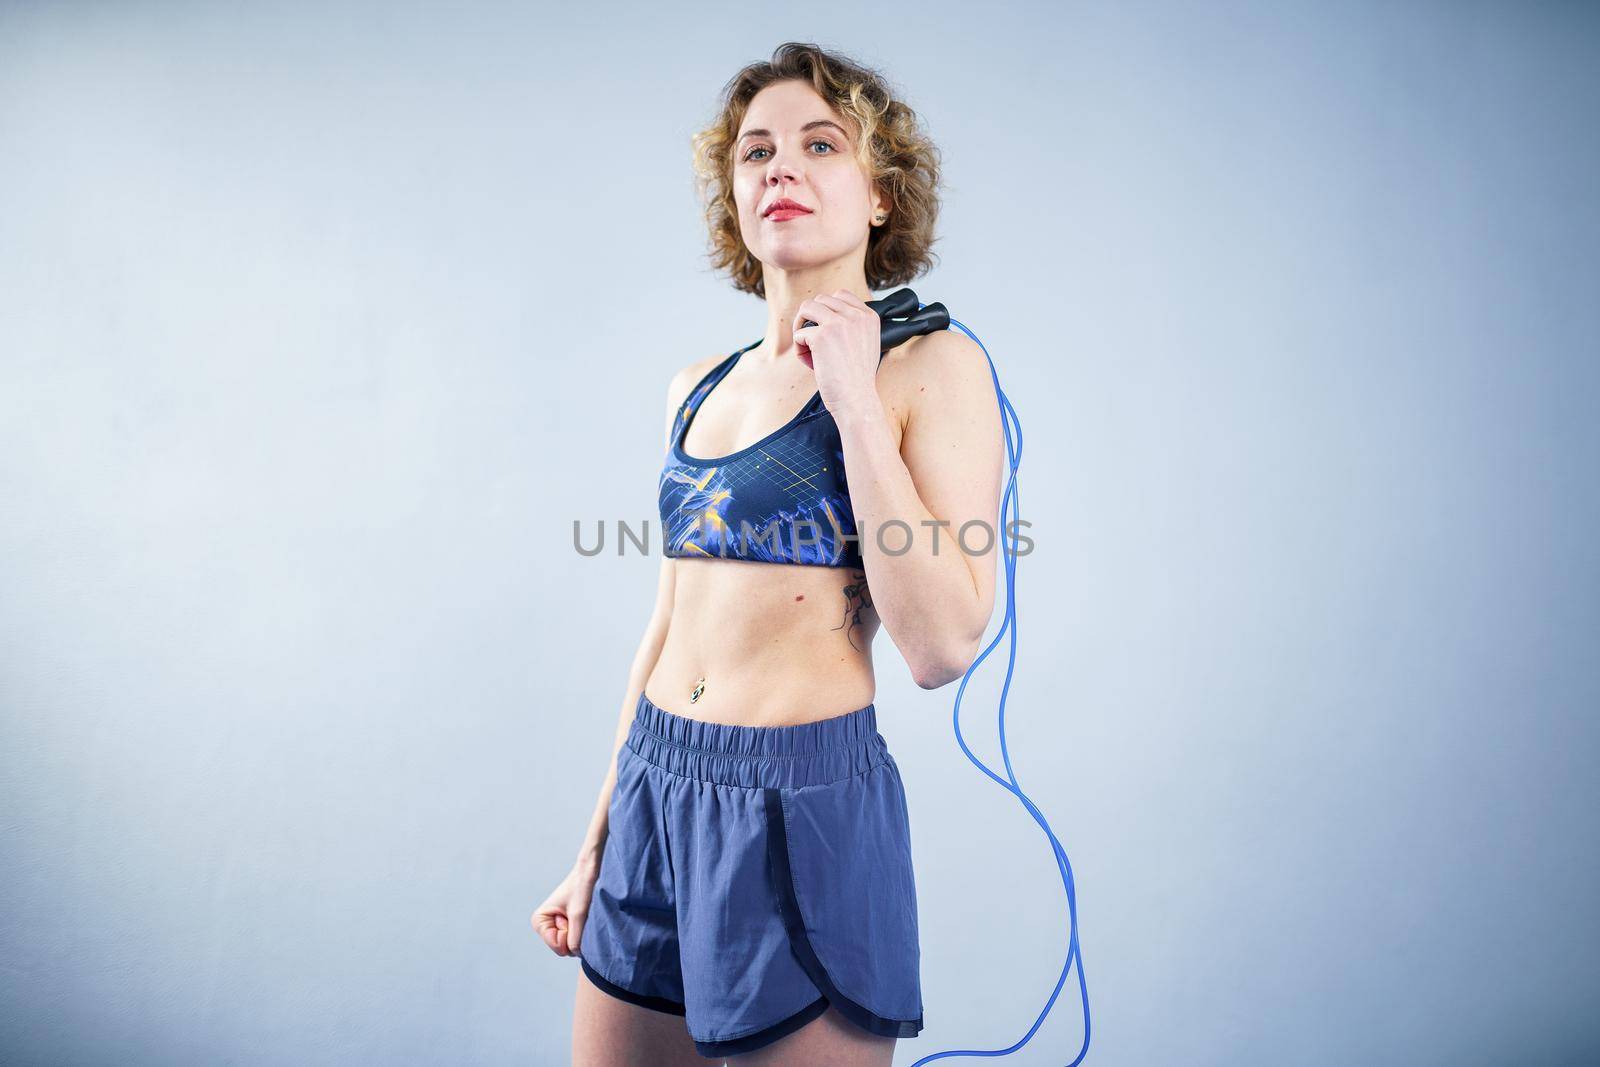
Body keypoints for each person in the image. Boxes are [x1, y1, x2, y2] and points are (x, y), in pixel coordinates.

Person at [534, 42, 1004, 1066]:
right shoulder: (698, 383)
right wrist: (594, 845)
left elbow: (941, 645)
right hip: (656, 788)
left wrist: (854, 401)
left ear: (879, 194)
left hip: (799, 805)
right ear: (734, 197)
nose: (778, 167)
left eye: (818, 144)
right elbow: (667, 626)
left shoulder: (934, 365)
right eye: (754, 152)